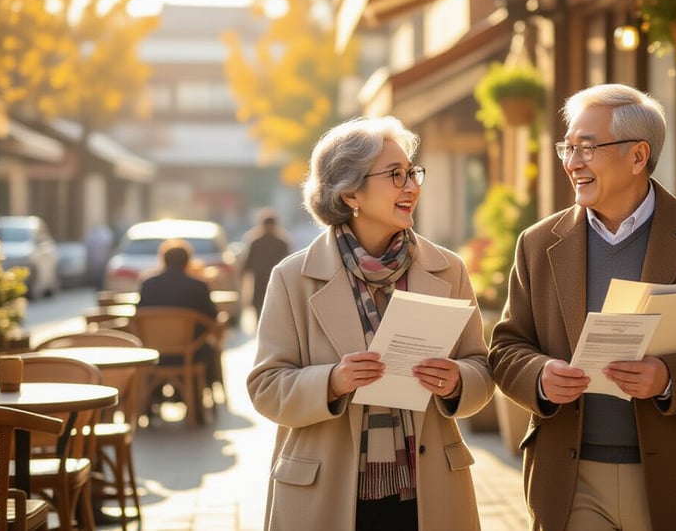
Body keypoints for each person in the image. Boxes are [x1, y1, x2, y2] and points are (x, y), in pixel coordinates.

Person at [488, 84, 676, 531]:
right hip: (569, 477)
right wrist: (540, 377)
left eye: (586, 148)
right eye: (568, 147)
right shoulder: (538, 243)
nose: (572, 162)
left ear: (638, 157)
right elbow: (507, 348)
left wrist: (670, 377)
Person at [247, 116, 494, 531]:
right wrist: (332, 382)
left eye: (412, 173)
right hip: (325, 492)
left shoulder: (448, 269)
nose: (412, 186)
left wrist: (456, 381)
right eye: (395, 175)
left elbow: (482, 370)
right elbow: (266, 388)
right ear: (349, 194)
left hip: (426, 493)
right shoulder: (293, 278)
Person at [138, 239, 223, 400]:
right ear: (188, 261)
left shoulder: (148, 284)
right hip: (190, 351)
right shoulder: (198, 285)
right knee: (211, 350)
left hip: (154, 354)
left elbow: (139, 315)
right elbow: (212, 319)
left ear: (163, 260)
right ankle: (198, 399)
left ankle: (152, 400)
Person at [241, 209, 291, 320]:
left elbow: (288, 263)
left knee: (268, 308)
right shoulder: (257, 242)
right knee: (262, 308)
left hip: (274, 281)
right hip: (262, 281)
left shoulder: (280, 243)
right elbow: (248, 263)